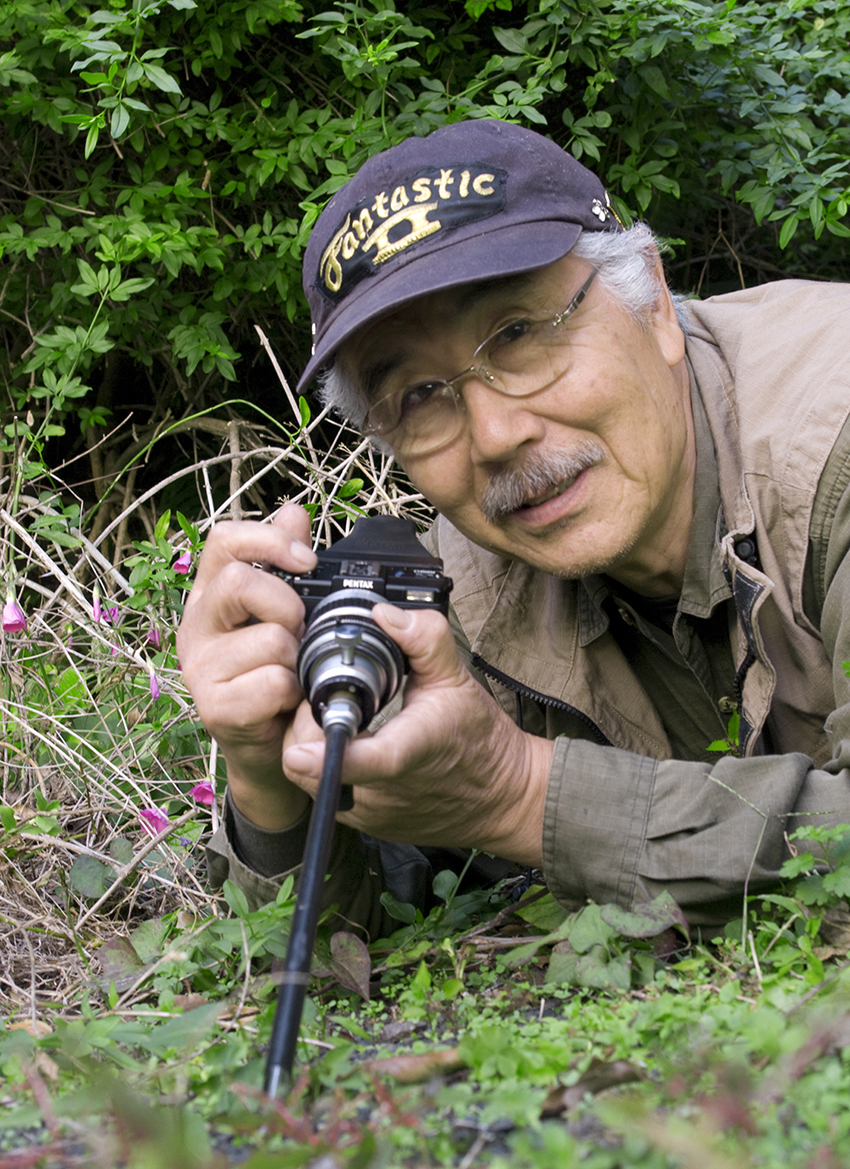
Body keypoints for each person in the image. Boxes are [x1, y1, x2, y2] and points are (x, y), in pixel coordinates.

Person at [176, 119, 850, 932]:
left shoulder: (831, 437)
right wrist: (268, 769)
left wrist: (516, 792)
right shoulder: (458, 598)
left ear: (656, 304)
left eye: (521, 334)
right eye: (420, 395)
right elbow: (333, 953)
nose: (496, 435)